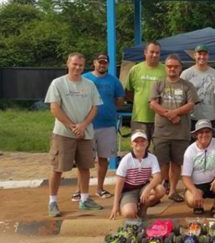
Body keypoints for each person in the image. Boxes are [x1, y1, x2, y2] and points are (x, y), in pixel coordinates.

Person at [44, 52, 103, 217]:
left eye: (80, 65)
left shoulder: (90, 85)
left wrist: (83, 125)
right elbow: (54, 108)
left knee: (85, 167)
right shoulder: (58, 83)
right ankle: (52, 202)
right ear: (68, 64)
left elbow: (95, 107)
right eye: (74, 64)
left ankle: (85, 199)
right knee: (58, 168)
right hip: (63, 133)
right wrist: (71, 126)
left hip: (85, 133)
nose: (77, 67)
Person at [70, 52, 125, 202]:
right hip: (87, 125)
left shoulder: (114, 81)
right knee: (84, 159)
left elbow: (120, 100)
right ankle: (79, 190)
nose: (102, 65)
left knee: (103, 158)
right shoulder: (85, 78)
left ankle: (100, 188)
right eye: (100, 62)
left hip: (107, 125)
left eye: (105, 62)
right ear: (94, 62)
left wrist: (109, 109)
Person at [150, 54, 198, 202]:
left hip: (180, 132)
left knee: (177, 163)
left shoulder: (187, 85)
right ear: (165, 68)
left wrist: (175, 113)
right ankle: (159, 191)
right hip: (162, 132)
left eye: (175, 66)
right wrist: (170, 115)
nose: (172, 69)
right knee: (161, 163)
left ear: (180, 68)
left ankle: (172, 190)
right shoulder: (158, 84)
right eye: (169, 66)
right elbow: (153, 104)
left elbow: (191, 104)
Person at [181, 120, 215, 217]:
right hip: (197, 185)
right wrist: (194, 191)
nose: (204, 135)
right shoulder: (190, 150)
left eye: (207, 131)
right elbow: (185, 177)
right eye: (201, 132)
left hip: (214, 183)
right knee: (191, 200)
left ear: (211, 133)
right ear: (196, 135)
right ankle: (198, 205)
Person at [109, 131, 165, 219]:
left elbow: (157, 177)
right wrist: (115, 205)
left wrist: (147, 189)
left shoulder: (152, 158)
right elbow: (119, 184)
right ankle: (129, 205)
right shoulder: (126, 159)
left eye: (142, 141)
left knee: (160, 190)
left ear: (147, 143)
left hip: (143, 187)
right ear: (131, 144)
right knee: (129, 213)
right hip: (128, 191)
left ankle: (143, 209)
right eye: (136, 141)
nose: (140, 143)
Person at [125, 40, 165, 141]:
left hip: (160, 118)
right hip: (139, 118)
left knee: (160, 148)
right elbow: (128, 91)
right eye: (152, 52)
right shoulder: (135, 70)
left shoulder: (165, 70)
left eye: (157, 52)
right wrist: (140, 101)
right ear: (145, 52)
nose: (154, 55)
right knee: (139, 148)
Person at [180, 44, 215, 138]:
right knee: (192, 145)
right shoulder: (186, 74)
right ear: (195, 55)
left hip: (211, 118)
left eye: (205, 54)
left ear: (208, 56)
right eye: (199, 54)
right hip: (192, 118)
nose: (202, 57)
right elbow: (181, 97)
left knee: (212, 145)